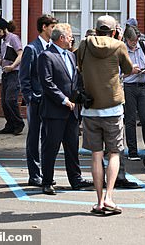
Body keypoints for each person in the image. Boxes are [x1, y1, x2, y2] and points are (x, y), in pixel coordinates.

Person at [77, 15, 133, 215]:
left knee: (96, 156)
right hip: (113, 107)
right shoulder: (118, 45)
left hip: (90, 107)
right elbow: (128, 69)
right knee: (115, 153)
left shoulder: (84, 45)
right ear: (114, 31)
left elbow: (79, 66)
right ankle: (109, 197)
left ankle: (99, 201)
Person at [38, 23, 93, 195]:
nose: (72, 39)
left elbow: (74, 80)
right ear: (61, 38)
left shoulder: (70, 55)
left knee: (72, 147)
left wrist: (79, 98)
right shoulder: (46, 56)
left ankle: (75, 179)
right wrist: (63, 100)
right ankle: (47, 181)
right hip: (55, 111)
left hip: (72, 111)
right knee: (51, 148)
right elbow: (47, 83)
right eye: (69, 36)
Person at [19, 13, 58, 187]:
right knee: (34, 137)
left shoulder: (53, 48)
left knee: (48, 137)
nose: (54, 30)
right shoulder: (31, 48)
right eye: (52, 27)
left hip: (50, 101)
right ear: (44, 27)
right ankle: (34, 174)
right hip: (36, 100)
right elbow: (24, 76)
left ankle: (45, 173)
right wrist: (30, 98)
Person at [123, 25, 145, 160]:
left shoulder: (143, 45)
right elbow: (118, 72)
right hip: (129, 85)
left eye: (136, 40)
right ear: (126, 39)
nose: (134, 43)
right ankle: (132, 150)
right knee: (130, 119)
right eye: (132, 41)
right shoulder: (122, 49)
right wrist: (131, 71)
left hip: (143, 85)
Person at [0, 18, 24, 135]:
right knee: (4, 103)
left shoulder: (13, 38)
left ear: (5, 29)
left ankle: (18, 123)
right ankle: (10, 124)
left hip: (15, 73)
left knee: (10, 99)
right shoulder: (3, 42)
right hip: (6, 73)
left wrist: (13, 66)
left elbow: (21, 54)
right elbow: (4, 62)